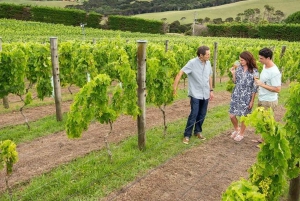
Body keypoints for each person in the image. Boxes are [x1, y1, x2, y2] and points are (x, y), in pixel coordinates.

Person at [173, 45, 214, 145]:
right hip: (195, 93)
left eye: (209, 54)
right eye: (207, 54)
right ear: (201, 55)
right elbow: (180, 73)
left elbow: (209, 76)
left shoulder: (208, 63)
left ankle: (198, 132)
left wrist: (211, 90)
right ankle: (187, 135)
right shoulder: (192, 63)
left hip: (205, 93)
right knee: (194, 113)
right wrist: (174, 87)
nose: (209, 56)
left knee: (202, 114)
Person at [252, 47, 281, 144]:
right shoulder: (265, 66)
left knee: (267, 122)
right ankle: (262, 139)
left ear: (268, 58)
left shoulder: (274, 72)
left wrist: (261, 84)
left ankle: (266, 142)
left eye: (261, 58)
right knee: (262, 121)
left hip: (269, 100)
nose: (259, 60)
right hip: (262, 98)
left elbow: (278, 89)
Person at [229, 51, 258, 142]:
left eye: (242, 60)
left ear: (247, 59)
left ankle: (241, 133)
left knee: (244, 116)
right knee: (232, 115)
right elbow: (235, 82)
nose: (240, 62)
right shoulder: (239, 68)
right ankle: (237, 129)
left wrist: (252, 100)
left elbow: (255, 87)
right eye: (240, 60)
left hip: (247, 95)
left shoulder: (255, 71)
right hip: (236, 94)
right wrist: (233, 73)